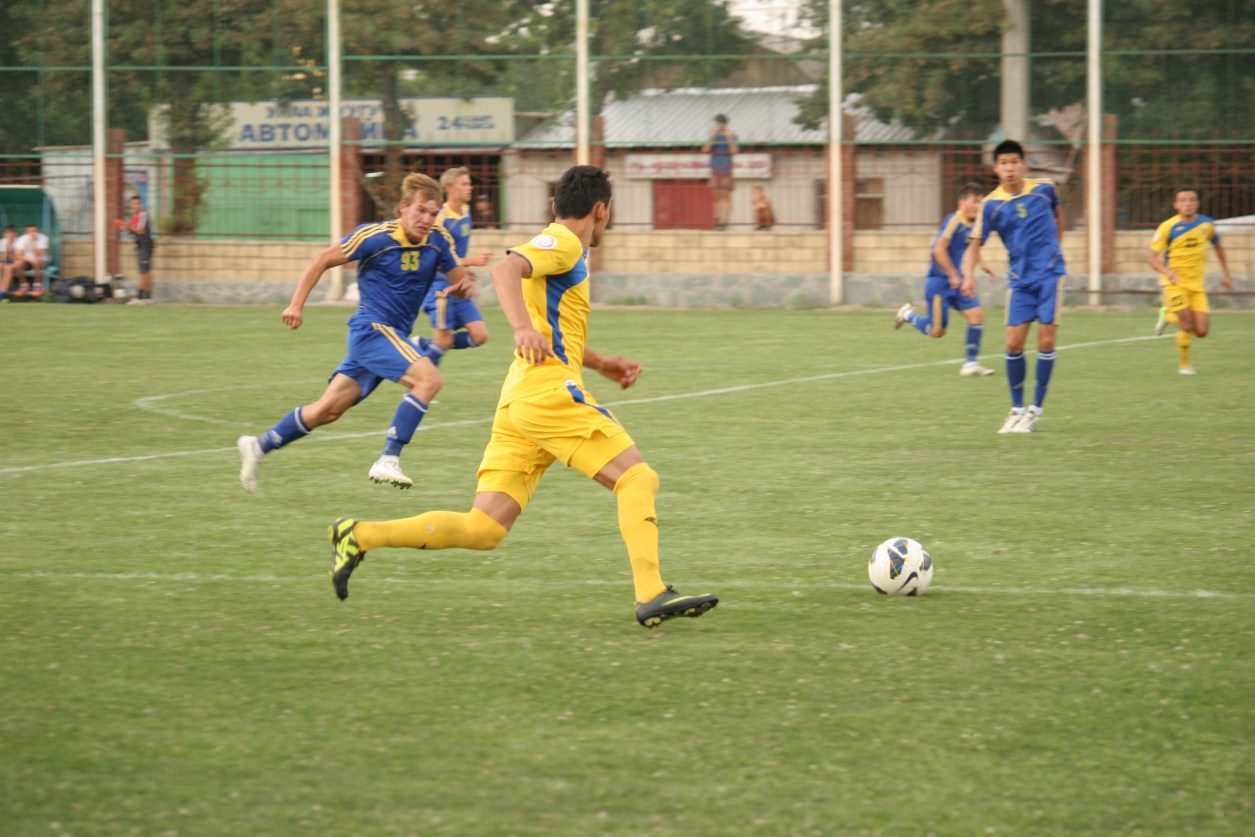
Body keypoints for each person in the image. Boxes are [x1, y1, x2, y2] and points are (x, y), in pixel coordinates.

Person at [326, 165, 719, 629]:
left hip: (522, 398)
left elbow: (551, 327)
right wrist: (519, 328)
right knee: (637, 478)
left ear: (554, 205)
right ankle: (651, 593)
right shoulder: (564, 241)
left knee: (484, 528)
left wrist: (601, 363)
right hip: (547, 393)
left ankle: (359, 534)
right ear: (601, 210)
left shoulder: (562, 249)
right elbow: (505, 268)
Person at [236, 172, 474, 492]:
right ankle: (389, 458)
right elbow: (322, 259)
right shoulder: (375, 236)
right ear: (403, 208)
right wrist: (296, 305)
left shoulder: (438, 239)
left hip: (392, 337)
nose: (427, 220)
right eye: (420, 211)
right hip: (371, 330)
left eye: (433, 213)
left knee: (327, 411)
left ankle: (259, 445)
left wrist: (463, 287)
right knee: (429, 380)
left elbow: (459, 280)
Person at [962, 139, 1067, 434]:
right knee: (1012, 344)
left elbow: (1059, 215)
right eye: (1003, 163)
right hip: (1020, 281)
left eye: (1014, 162)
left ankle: (1035, 410)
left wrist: (1056, 249)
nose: (1009, 168)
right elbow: (975, 243)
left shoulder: (1045, 188)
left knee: (1045, 342)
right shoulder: (991, 205)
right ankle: (1017, 409)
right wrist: (968, 276)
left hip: (1050, 276)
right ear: (996, 168)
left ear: (1024, 164)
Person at [895, 183, 998, 377]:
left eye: (980, 202)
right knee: (937, 332)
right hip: (939, 284)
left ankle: (971, 363)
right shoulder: (954, 220)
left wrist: (983, 265)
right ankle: (908, 315)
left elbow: (973, 247)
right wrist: (952, 274)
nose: (978, 206)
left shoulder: (973, 225)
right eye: (974, 201)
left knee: (976, 316)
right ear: (962, 202)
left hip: (957, 282)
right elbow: (938, 250)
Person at [1147, 187, 1234, 375]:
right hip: (1174, 284)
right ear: (1176, 205)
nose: (1188, 203)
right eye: (1183, 200)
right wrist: (1167, 272)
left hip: (1197, 286)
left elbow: (1218, 247)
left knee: (1202, 331)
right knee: (1186, 325)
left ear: (1197, 204)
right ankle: (1185, 366)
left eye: (1192, 200)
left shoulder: (1206, 225)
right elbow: (1151, 258)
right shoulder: (1167, 227)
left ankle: (1167, 316)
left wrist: (1227, 275)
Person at [420, 168, 492, 356]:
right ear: (450, 188)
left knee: (480, 336)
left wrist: (464, 271)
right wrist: (471, 261)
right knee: (443, 341)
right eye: (464, 184)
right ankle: (419, 368)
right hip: (440, 287)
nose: (470, 187)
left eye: (470, 183)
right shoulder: (440, 218)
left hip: (458, 284)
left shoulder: (466, 211)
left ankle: (420, 344)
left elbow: (454, 251)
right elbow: (434, 258)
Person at [701, 114, 738, 230]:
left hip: (726, 169)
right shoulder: (713, 135)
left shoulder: (731, 135)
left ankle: (725, 221)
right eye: (717, 123)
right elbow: (705, 150)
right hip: (715, 169)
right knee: (716, 197)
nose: (719, 125)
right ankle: (717, 220)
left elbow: (734, 151)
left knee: (726, 196)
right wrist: (711, 137)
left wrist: (730, 139)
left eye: (720, 123)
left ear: (724, 124)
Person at [123, 196, 156, 304]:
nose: (135, 206)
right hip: (139, 245)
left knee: (145, 271)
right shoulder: (134, 216)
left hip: (145, 244)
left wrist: (128, 226)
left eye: (137, 203)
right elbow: (132, 230)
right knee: (142, 270)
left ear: (141, 204)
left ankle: (145, 296)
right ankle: (143, 295)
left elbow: (141, 230)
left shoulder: (143, 214)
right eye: (133, 204)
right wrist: (126, 228)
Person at [11, 222, 49, 298]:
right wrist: (28, 259)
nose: (33, 233)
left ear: (38, 231)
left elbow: (38, 254)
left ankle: (37, 286)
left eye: (35, 231)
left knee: (36, 260)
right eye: (30, 231)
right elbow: (17, 255)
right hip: (27, 261)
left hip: (41, 261)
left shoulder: (43, 238)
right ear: (26, 232)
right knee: (17, 263)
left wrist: (33, 241)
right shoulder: (22, 239)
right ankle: (24, 286)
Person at [0, 225, 17, 298]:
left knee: (8, 268)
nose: (10, 235)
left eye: (11, 233)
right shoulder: (2, 242)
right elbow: (1, 258)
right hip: (6, 262)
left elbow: (16, 258)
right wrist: (2, 264)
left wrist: (9, 248)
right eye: (7, 233)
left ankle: (2, 294)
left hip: (16, 262)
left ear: (15, 233)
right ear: (4, 234)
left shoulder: (19, 241)